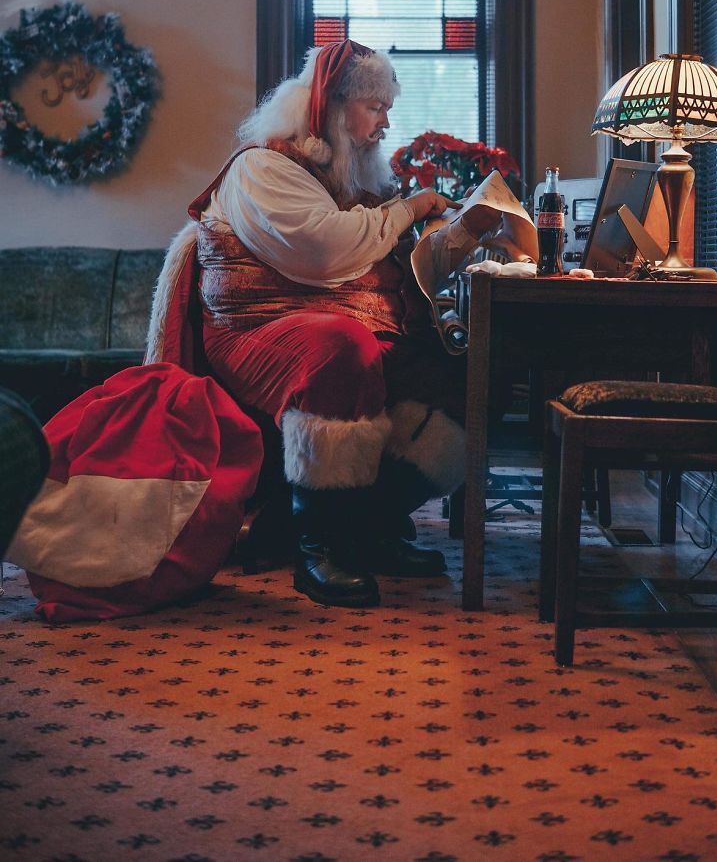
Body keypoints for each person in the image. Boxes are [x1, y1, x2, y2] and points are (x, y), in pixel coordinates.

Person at [148, 39, 502, 608]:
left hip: (354, 323)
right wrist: (410, 209)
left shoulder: (357, 170)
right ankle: (322, 545)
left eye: (387, 108)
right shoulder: (263, 165)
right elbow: (323, 250)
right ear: (333, 108)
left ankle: (371, 526)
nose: (387, 122)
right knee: (339, 348)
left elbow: (387, 252)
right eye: (375, 108)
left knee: (462, 371)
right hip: (260, 328)